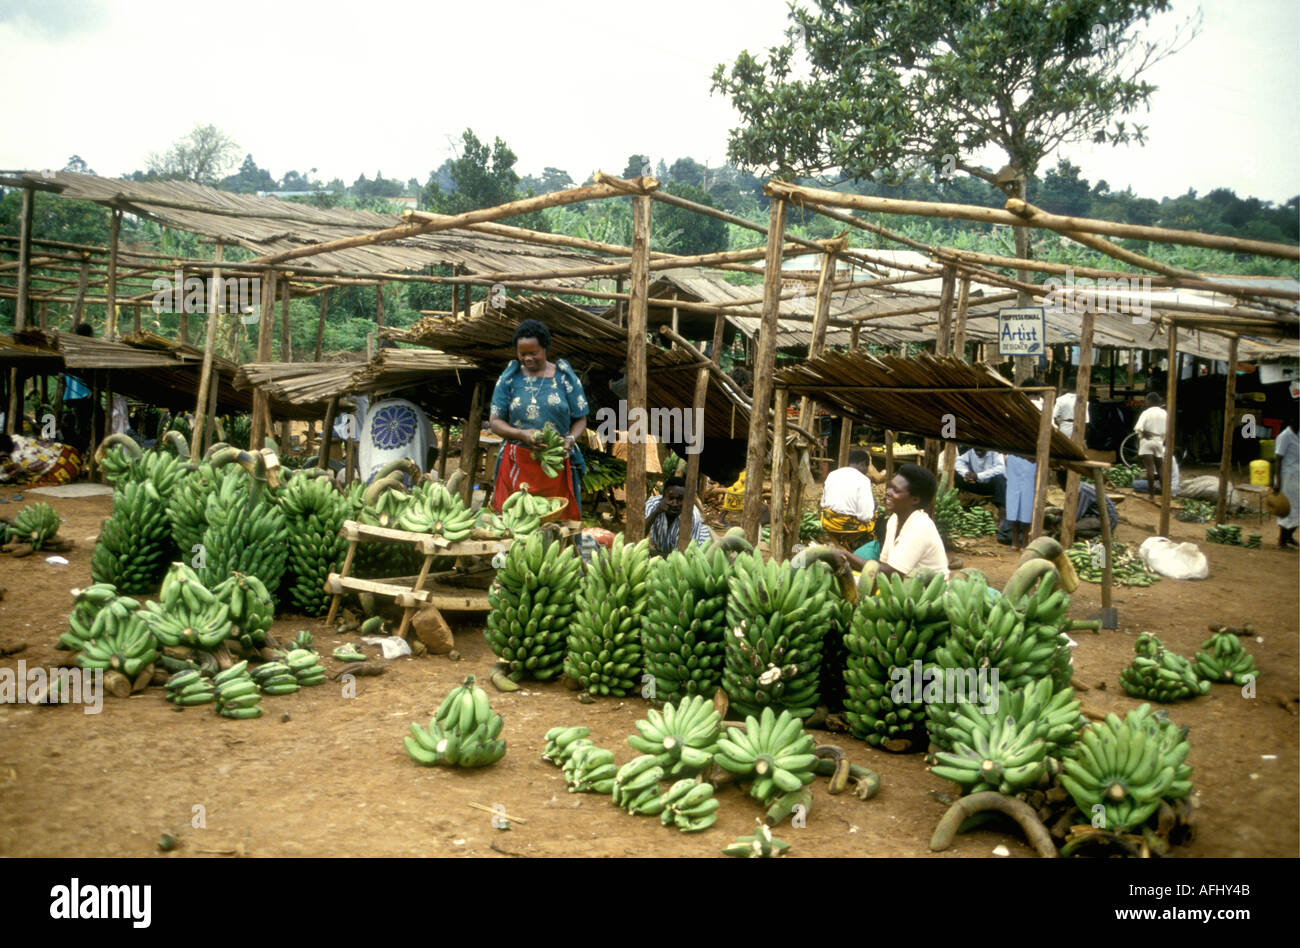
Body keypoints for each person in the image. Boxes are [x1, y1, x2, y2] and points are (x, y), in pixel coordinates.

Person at [488, 319, 588, 519]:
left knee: (556, 521)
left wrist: (569, 439)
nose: (527, 358)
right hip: (517, 462)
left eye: (533, 353)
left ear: (545, 348)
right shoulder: (510, 378)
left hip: (556, 462)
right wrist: (521, 434)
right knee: (514, 522)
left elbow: (581, 418)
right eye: (522, 353)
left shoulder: (564, 377)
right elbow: (495, 421)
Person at [876, 464, 949, 579]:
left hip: (929, 593)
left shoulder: (920, 526)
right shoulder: (893, 520)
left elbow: (893, 573)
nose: (888, 492)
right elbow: (884, 564)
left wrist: (845, 555)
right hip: (904, 589)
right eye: (889, 487)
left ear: (915, 499)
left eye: (896, 490)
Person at [819, 448, 885, 561]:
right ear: (863, 464)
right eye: (867, 468)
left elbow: (823, 503)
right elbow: (865, 516)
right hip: (849, 529)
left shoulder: (832, 474)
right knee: (876, 514)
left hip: (828, 523)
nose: (867, 471)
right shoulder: (863, 480)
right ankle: (858, 552)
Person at [1003, 378, 1044, 552]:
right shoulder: (1041, 407)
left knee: (1013, 496)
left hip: (1013, 455)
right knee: (1028, 498)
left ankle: (1014, 541)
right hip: (1031, 457)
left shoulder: (1013, 407)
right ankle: (1025, 542)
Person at [644, 476, 710, 555]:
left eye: (680, 499)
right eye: (671, 498)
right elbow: (640, 533)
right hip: (663, 551)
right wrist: (656, 512)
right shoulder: (653, 504)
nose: (675, 503)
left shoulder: (692, 515)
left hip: (694, 550)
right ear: (663, 497)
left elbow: (683, 555)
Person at [1054, 468, 1118, 540]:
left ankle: (1100, 535)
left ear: (1065, 481)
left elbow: (1074, 516)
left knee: (1067, 527)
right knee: (1064, 525)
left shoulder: (1082, 491)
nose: (1060, 486)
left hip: (1106, 519)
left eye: (1060, 483)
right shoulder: (1078, 487)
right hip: (1095, 516)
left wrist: (1057, 518)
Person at [0, 431, 83, 486]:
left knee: (29, 479)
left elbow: (8, 476)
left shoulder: (17, 459)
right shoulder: (16, 438)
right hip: (69, 453)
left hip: (64, 470)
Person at [953, 446, 1007, 523]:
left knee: (1000, 478)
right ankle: (956, 506)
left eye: (981, 449)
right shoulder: (970, 451)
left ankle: (1002, 514)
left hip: (989, 486)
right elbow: (959, 462)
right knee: (956, 474)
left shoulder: (995, 452)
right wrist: (966, 474)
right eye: (976, 450)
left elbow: (1000, 468)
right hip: (974, 483)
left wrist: (978, 476)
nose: (978, 451)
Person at [1133, 392, 1169, 498]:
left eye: (1146, 401)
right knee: (1160, 467)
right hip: (1159, 441)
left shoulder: (1146, 412)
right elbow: (1168, 429)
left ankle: (1151, 495)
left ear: (1149, 401)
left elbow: (1138, 427)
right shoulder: (1164, 413)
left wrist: (1144, 434)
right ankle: (1164, 494)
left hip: (1147, 441)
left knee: (1149, 468)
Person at [1273, 409, 1298, 550]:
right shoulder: (1284, 436)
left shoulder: (1297, 435)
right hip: (1287, 478)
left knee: (1297, 510)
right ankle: (1282, 540)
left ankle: (1289, 536)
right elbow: (1278, 459)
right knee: (1287, 509)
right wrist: (1277, 482)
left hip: (1297, 478)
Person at [1053, 374, 1090, 441]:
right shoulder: (1084, 401)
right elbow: (1086, 421)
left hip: (1064, 429)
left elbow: (1054, 416)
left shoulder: (1060, 399)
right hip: (1079, 430)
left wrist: (1058, 424)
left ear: (1067, 386)